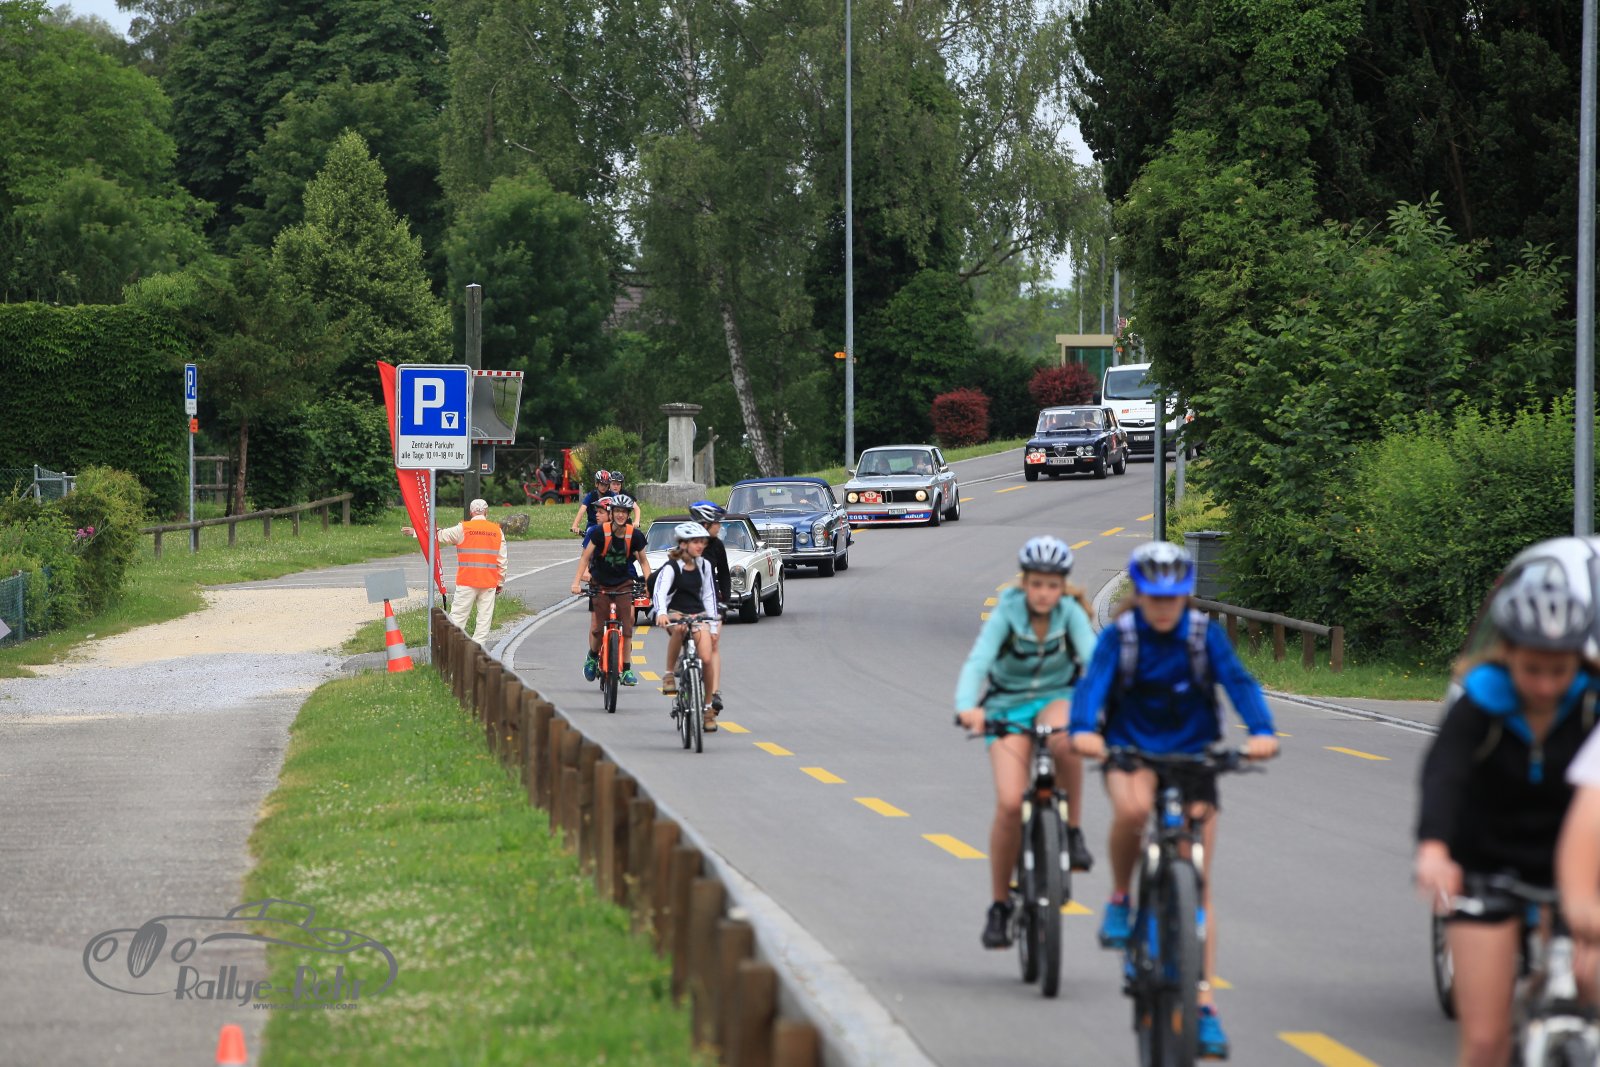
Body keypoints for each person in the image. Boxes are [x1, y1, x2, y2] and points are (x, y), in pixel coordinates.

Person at [1070, 540, 1278, 1061]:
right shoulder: (1121, 637)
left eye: (1173, 599)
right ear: (1139, 595)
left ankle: (1202, 1004)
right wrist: (1084, 730)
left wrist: (1261, 731)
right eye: (1154, 598)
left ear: (1185, 597)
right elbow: (1091, 689)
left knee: (1198, 882)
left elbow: (1239, 684)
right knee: (1134, 811)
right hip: (1131, 751)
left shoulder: (1204, 637)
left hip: (1193, 758)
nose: (1164, 608)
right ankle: (1121, 899)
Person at [1419, 566, 1599, 1067]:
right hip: (1487, 863)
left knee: (1587, 985)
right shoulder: (1481, 700)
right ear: (1509, 654)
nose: (1545, 685)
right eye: (1531, 669)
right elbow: (1444, 776)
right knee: (1484, 1042)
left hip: (1573, 864)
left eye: (1559, 671)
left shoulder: (1591, 704)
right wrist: (1434, 847)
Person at [954, 536, 1097, 951]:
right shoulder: (1007, 611)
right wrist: (968, 707)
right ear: (1025, 582)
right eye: (1036, 584)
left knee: (1068, 740)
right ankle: (1000, 905)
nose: (1044, 593)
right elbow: (978, 662)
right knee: (1010, 803)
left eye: (1052, 585)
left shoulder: (1070, 613)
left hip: (1056, 698)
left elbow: (1096, 663)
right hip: (1007, 707)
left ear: (1062, 586)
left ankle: (1072, 832)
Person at [403, 498, 507, 646]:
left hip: (467, 581)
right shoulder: (497, 531)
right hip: (488, 581)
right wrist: (500, 582)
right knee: (484, 620)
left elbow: (439, 535)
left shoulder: (463, 529)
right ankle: (477, 651)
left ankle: (451, 649)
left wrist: (416, 532)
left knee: (458, 618)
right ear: (486, 512)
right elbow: (502, 560)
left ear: (470, 512)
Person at [571, 494, 650, 687]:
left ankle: (627, 669)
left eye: (624, 512)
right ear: (612, 512)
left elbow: (644, 562)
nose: (621, 515)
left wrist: (650, 585)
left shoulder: (634, 535)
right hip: (601, 583)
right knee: (597, 628)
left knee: (628, 625)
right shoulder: (600, 533)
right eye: (617, 511)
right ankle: (592, 657)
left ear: (628, 514)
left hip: (623, 583)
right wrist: (576, 582)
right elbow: (585, 558)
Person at [653, 521, 721, 729]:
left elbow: (709, 596)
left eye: (702, 542)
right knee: (681, 628)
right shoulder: (672, 567)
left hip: (698, 615)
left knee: (707, 659)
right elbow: (660, 592)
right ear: (683, 544)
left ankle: (707, 709)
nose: (700, 546)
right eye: (695, 542)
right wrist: (662, 613)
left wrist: (713, 624)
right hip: (675, 614)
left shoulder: (704, 565)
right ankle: (669, 674)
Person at [691, 501, 731, 714]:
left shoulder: (717, 546)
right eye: (717, 523)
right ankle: (684, 660)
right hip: (688, 598)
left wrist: (725, 601)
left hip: (712, 599)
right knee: (685, 631)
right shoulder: (686, 543)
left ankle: (714, 693)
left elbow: (724, 574)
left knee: (713, 642)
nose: (720, 526)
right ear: (705, 524)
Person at [570, 470, 611, 535]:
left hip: (608, 526)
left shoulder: (612, 496)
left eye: (606, 485)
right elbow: (582, 510)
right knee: (590, 534)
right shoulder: (591, 496)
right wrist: (575, 525)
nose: (604, 487)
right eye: (602, 484)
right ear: (596, 484)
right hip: (592, 526)